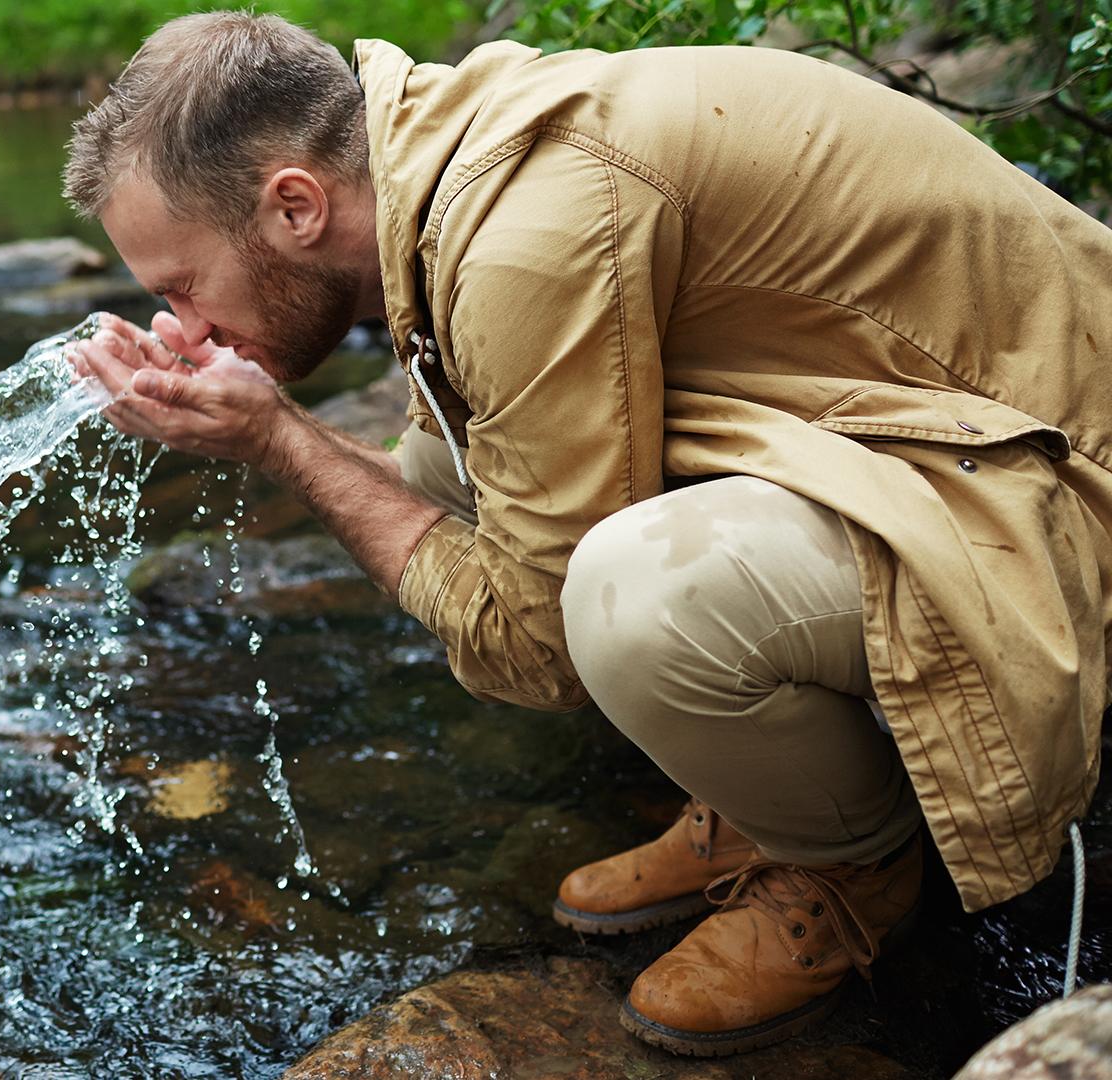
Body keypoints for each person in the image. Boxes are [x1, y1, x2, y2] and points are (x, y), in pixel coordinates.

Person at [60, 10, 1112, 1057]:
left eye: (181, 288)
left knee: (631, 602)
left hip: (1051, 476)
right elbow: (453, 507)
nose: (180, 331)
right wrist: (282, 433)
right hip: (917, 427)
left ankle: (850, 868)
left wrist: (285, 444)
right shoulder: (449, 158)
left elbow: (543, 645)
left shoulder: (524, 233)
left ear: (295, 204)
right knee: (444, 472)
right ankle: (764, 796)